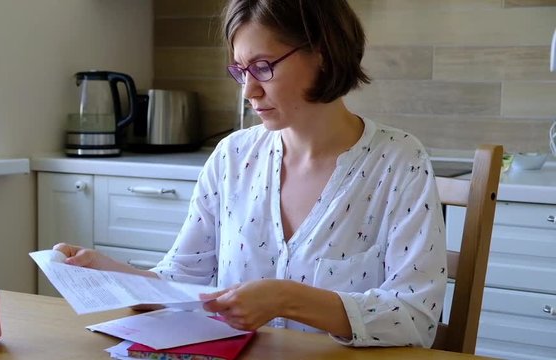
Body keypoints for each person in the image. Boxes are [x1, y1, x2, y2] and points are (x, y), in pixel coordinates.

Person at [54, 0, 447, 348]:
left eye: (262, 67)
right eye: (241, 70)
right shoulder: (232, 157)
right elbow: (182, 280)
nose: (248, 91)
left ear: (324, 54)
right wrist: (114, 275)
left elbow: (414, 318)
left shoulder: (399, 161)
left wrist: (286, 298)